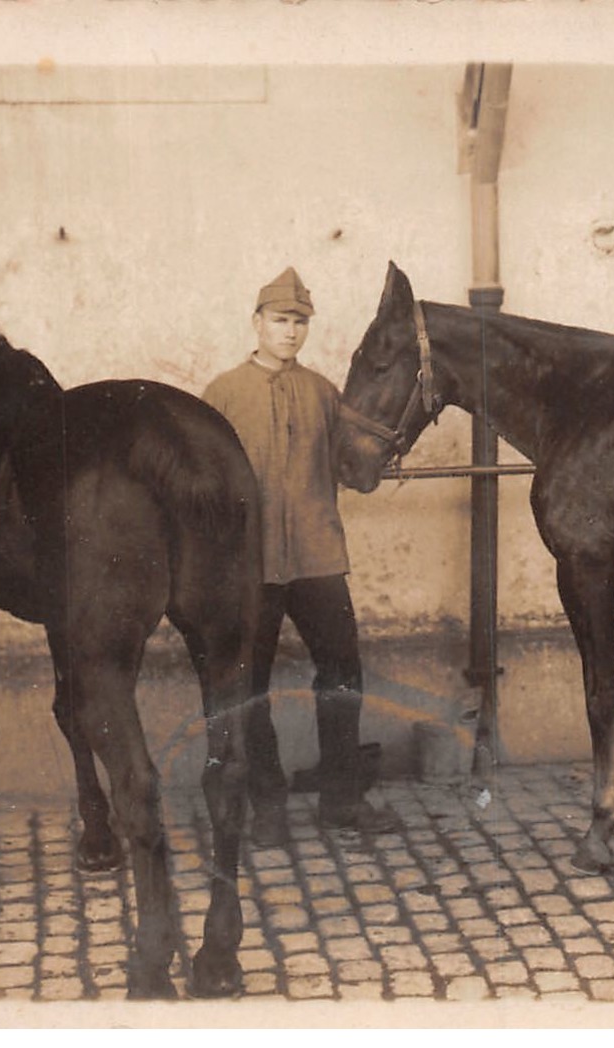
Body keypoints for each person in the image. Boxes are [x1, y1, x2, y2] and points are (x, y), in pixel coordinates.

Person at [201, 267, 401, 845]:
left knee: (342, 674)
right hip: (250, 566)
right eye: (280, 321)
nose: (290, 333)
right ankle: (268, 806)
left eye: (299, 323)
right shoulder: (222, 394)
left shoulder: (321, 392)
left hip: (317, 555)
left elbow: (353, 462)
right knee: (251, 686)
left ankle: (341, 802)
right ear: (257, 323)